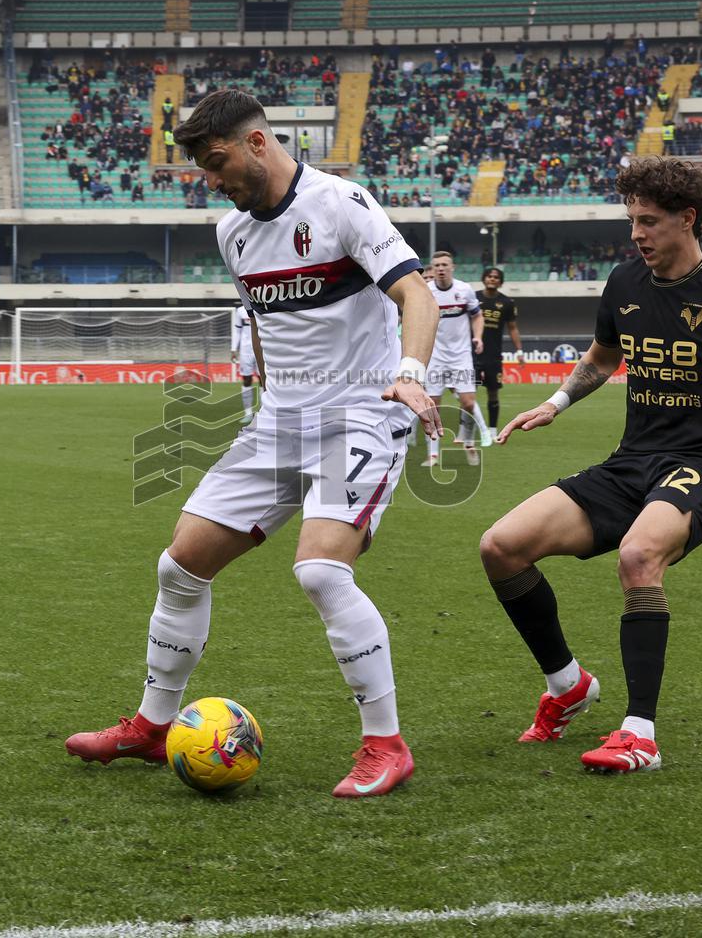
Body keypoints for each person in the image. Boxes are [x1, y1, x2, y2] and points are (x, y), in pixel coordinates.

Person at [65, 89, 443, 798]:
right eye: (204, 170)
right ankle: (152, 727)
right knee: (180, 565)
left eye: (218, 162)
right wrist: (272, 398)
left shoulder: (342, 204)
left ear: (258, 142)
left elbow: (416, 295)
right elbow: (266, 325)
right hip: (279, 424)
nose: (213, 180)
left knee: (321, 572)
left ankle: (386, 745)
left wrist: (411, 375)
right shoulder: (231, 232)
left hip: (362, 414)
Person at [480, 156, 702, 775]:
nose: (636, 234)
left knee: (638, 557)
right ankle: (567, 685)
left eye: (649, 221)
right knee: (501, 546)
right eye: (632, 220)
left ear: (687, 218)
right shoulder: (624, 281)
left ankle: (640, 734)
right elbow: (602, 359)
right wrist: (555, 403)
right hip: (631, 462)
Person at [423, 250, 490, 466]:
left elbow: (477, 316)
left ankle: (468, 443)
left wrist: (478, 337)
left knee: (468, 403)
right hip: (435, 356)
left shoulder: (464, 290)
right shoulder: (426, 291)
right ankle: (433, 454)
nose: (440, 269)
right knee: (432, 407)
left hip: (461, 356)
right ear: (433, 269)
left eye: (444, 265)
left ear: (452, 267)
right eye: (436, 265)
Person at [475, 267, 523, 441]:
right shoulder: (473, 298)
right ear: (484, 279)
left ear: (500, 282)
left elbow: (513, 328)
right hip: (472, 354)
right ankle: (467, 432)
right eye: (489, 276)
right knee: (468, 394)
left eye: (496, 277)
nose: (492, 279)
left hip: (494, 356)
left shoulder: (507, 303)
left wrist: (519, 351)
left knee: (493, 392)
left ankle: (493, 430)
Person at [230, 302, 257, 424]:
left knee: (264, 381)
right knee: (247, 380)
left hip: (262, 349)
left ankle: (263, 411)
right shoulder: (240, 311)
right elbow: (237, 331)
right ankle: (248, 413)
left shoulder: (262, 307)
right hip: (245, 351)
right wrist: (233, 349)